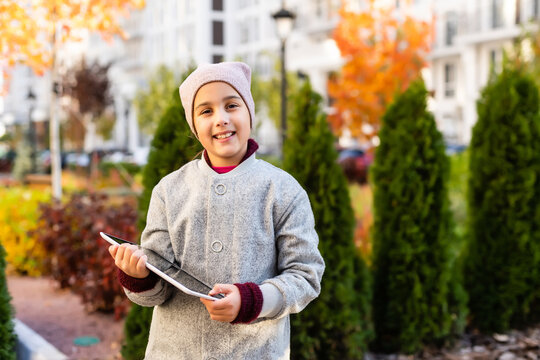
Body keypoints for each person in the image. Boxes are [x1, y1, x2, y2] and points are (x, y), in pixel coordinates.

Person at [108, 62, 325, 359]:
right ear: (194, 126)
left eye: (232, 105)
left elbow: (306, 276)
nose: (221, 119)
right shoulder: (169, 191)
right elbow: (156, 292)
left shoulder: (283, 190)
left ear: (249, 112)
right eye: (206, 111)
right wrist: (138, 276)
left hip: (255, 352)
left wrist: (252, 300)